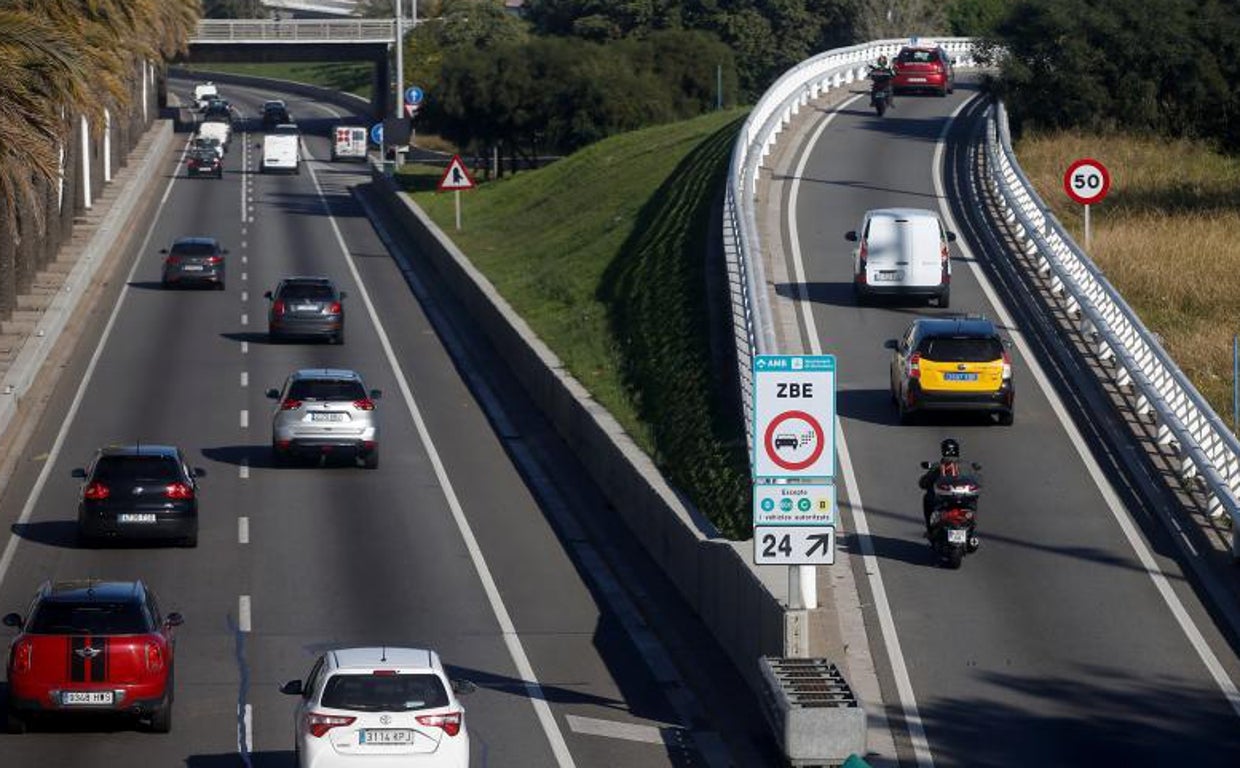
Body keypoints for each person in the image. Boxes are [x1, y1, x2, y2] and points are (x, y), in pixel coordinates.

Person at [918, 438, 964, 536]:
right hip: (962, 499)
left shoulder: (937, 466)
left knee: (927, 498)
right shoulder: (965, 467)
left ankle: (930, 530)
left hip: (945, 500)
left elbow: (924, 483)